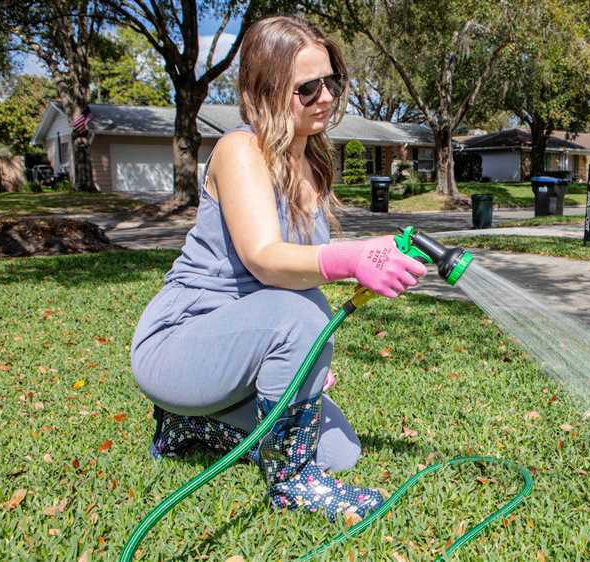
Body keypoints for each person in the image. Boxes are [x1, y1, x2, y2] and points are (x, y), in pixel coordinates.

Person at [129, 15, 427, 522]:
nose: (326, 97)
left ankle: (194, 424)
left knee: (340, 453)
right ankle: (291, 484)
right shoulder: (239, 150)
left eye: (331, 81)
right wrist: (353, 260)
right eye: (307, 88)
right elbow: (265, 260)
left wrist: (309, 357)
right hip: (179, 345)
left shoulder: (311, 161)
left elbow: (299, 277)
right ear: (265, 90)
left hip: (238, 350)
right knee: (297, 323)